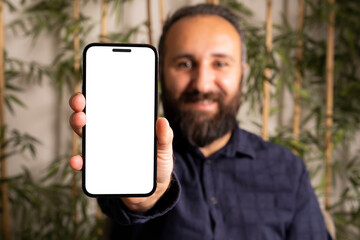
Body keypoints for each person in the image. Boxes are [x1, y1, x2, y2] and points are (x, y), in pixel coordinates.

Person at [69, 4, 333, 240]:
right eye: (184, 64)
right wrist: (142, 199)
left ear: (242, 73)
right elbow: (123, 207)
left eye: (220, 63)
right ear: (160, 74)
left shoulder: (287, 169)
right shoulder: (136, 156)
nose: (202, 84)